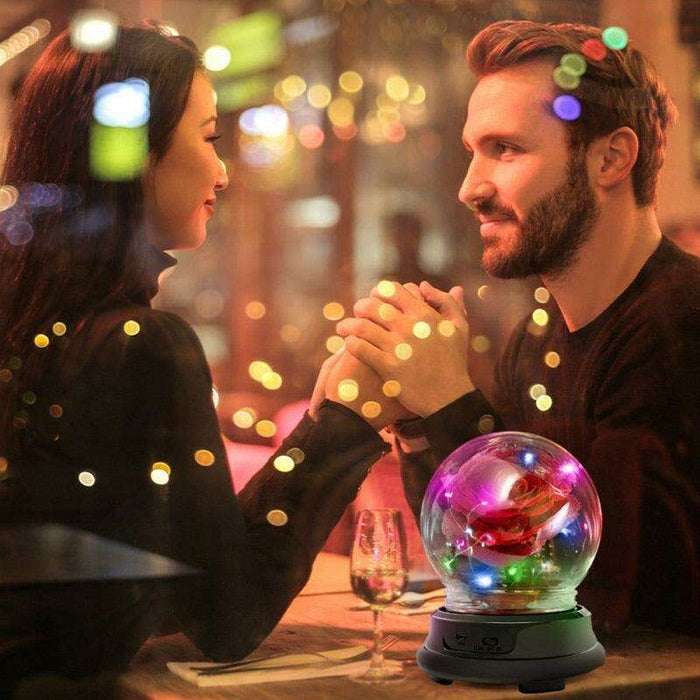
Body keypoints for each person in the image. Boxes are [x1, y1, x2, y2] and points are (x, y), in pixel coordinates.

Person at [0, 22, 410, 693]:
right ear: (137, 153)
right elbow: (227, 617)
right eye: (210, 137)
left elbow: (174, 577)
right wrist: (347, 419)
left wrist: (319, 424)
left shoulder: (33, 329)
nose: (222, 171)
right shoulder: (139, 346)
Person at [331, 20, 700, 638]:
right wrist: (418, 420)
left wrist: (450, 403)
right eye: (472, 151)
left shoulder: (680, 325)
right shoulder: (536, 338)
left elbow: (597, 599)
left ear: (611, 158)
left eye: (505, 149)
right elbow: (477, 557)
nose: (469, 188)